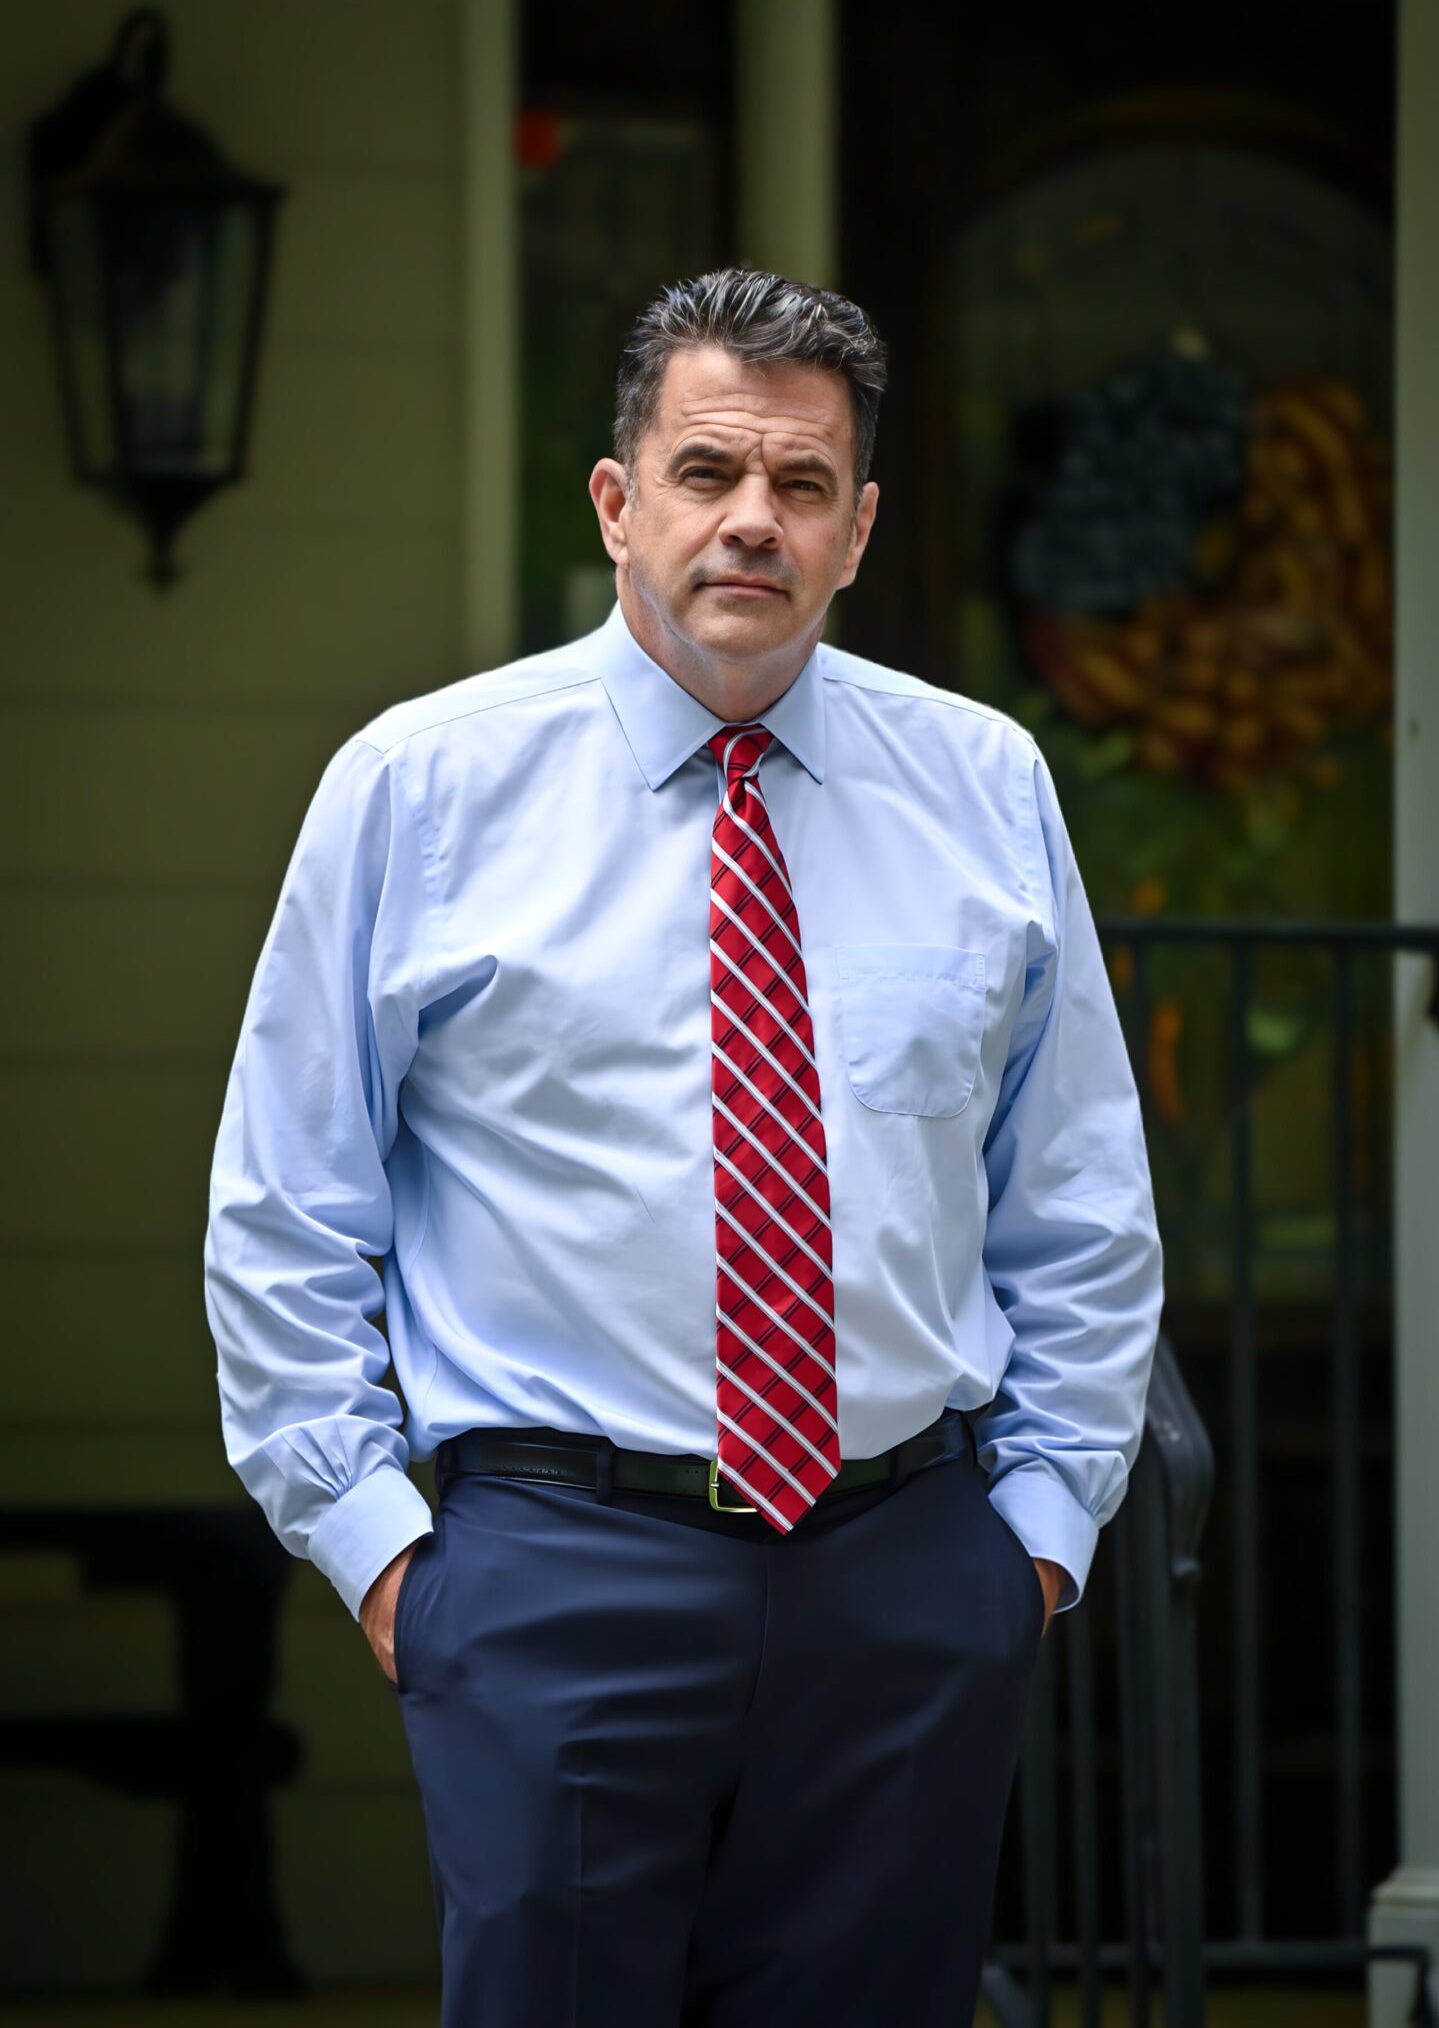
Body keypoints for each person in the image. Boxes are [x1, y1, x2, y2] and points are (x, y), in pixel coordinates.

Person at [204, 265, 1163, 2027]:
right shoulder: (421, 789)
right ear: (617, 497)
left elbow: (1081, 1196)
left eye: (802, 487)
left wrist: (1032, 1531)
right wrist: (381, 1549)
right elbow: (286, 1200)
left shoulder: (985, 784)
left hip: (906, 1580)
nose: (751, 524)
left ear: (859, 528)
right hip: (551, 1579)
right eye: (708, 471)